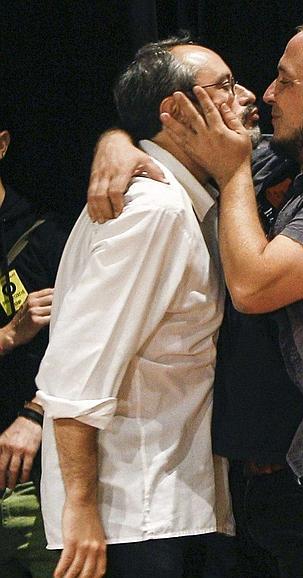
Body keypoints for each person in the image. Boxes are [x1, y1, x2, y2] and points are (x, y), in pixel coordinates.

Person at [87, 18, 303, 578]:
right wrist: (117, 142)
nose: (266, 95)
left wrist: (235, 169)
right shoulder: (291, 161)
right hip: (266, 481)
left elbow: (252, 286)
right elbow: (180, 137)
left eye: (286, 81)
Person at [35, 36, 238, 578]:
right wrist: (79, 506)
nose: (245, 96)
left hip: (159, 503)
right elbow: (78, 367)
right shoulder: (157, 209)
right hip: (133, 514)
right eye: (222, 86)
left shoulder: (173, 196)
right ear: (174, 111)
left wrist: (115, 137)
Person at [0, 107, 65, 577]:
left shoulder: (46, 236)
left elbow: (95, 347)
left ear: (2, 144)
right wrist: (7, 335)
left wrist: (36, 411)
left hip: (31, 478)